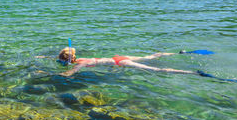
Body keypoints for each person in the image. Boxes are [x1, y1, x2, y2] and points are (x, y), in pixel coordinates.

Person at [56, 47, 196, 77]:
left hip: (120, 63)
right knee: (149, 57)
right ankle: (181, 53)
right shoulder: (79, 59)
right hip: (118, 57)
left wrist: (49, 73)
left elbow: (70, 73)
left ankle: (192, 72)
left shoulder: (81, 63)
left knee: (155, 70)